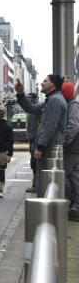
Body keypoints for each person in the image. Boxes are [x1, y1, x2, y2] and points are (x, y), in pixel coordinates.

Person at [33, 74, 67, 164]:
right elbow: (32, 108)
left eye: (45, 81)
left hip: (49, 149)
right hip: (51, 147)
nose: (42, 83)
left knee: (45, 176)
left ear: (52, 84)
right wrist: (20, 95)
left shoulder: (54, 100)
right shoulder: (52, 99)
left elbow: (49, 126)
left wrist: (40, 147)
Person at [16, 83, 43, 193]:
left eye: (29, 98)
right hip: (33, 138)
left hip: (36, 139)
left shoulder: (37, 109)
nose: (28, 101)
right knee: (34, 163)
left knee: (36, 163)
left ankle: (36, 186)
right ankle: (35, 185)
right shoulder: (33, 111)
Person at [63, 82, 79, 220]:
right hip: (74, 148)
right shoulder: (72, 105)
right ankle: (75, 208)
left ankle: (75, 207)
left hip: (73, 149)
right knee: (74, 178)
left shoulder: (73, 106)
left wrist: (65, 143)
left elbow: (73, 126)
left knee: (65, 177)